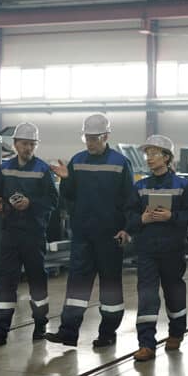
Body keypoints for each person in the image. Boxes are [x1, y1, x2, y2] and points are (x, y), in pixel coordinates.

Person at [45, 113, 134, 348]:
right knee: (76, 285)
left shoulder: (120, 163)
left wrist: (126, 228)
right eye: (87, 138)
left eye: (95, 138)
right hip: (83, 236)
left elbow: (130, 201)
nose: (90, 143)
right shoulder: (77, 161)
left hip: (110, 236)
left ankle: (108, 333)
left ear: (106, 136)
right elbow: (69, 197)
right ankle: (68, 332)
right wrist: (65, 180)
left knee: (110, 288)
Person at [124, 135, 188, 361]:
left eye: (154, 153)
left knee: (174, 292)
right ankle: (146, 344)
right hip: (146, 250)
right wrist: (142, 220)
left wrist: (171, 216)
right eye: (147, 154)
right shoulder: (140, 187)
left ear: (166, 157)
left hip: (172, 249)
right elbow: (128, 217)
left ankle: (176, 333)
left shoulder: (183, 186)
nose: (149, 158)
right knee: (147, 296)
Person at [0, 122, 59, 346]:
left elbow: (53, 201)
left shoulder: (43, 169)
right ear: (15, 144)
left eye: (32, 144)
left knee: (37, 279)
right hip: (10, 232)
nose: (28, 148)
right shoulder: (5, 168)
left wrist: (30, 203)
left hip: (33, 233)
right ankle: (0, 331)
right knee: (7, 280)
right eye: (24, 144)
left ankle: (40, 324)